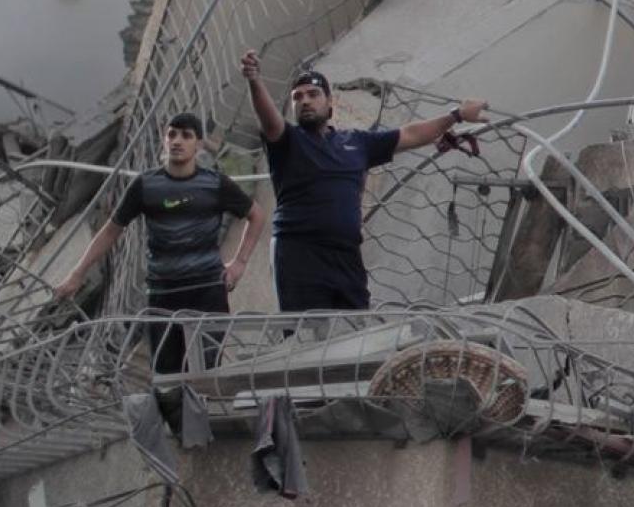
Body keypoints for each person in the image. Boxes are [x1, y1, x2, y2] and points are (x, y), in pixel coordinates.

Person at [240, 50, 487, 311]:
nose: (305, 101)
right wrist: (255, 80)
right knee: (306, 336)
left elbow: (410, 135)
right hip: (299, 253)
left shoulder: (357, 142)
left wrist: (456, 115)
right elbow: (268, 120)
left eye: (313, 94)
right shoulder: (287, 141)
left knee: (355, 330)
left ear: (330, 103)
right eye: (297, 97)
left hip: (346, 256)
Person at [54, 113, 267, 373]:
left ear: (198, 144)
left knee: (207, 371)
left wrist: (240, 262)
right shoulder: (145, 185)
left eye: (186, 136)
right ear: (164, 141)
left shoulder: (215, 183)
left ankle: (203, 412)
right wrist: (77, 274)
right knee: (167, 378)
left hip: (207, 291)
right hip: (164, 295)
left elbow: (256, 215)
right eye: (171, 134)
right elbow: (111, 231)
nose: (177, 141)